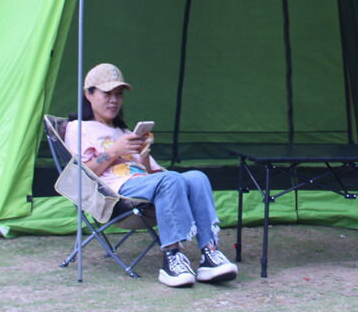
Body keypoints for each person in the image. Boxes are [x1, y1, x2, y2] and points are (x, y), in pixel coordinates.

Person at [64, 62, 238, 288]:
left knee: (196, 177)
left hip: (146, 186)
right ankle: (172, 258)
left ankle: (209, 253)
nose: (114, 100)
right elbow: (80, 175)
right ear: (89, 94)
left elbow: (154, 174)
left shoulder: (125, 132)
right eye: (107, 94)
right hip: (115, 194)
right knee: (170, 179)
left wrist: (144, 155)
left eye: (118, 95)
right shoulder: (78, 128)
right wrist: (114, 151)